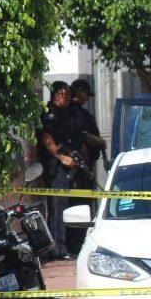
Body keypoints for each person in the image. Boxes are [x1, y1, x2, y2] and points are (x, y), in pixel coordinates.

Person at [37, 81, 84, 261]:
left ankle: (65, 245)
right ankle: (56, 248)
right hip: (55, 167)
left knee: (65, 206)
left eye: (67, 95)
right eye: (61, 94)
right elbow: (47, 138)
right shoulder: (50, 114)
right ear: (55, 95)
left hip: (68, 166)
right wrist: (61, 157)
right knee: (58, 207)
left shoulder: (67, 114)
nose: (64, 98)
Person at [66, 78, 105, 254]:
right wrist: (99, 142)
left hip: (81, 168)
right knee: (81, 207)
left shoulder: (76, 113)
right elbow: (83, 137)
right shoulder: (76, 114)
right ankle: (77, 244)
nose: (87, 97)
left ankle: (76, 243)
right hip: (79, 170)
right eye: (85, 94)